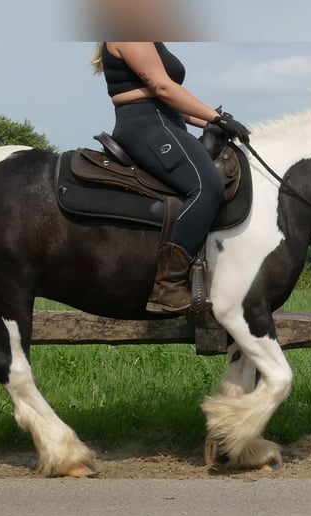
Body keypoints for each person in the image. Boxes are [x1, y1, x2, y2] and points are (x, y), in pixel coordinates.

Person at [91, 42, 250, 314]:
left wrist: (212, 121)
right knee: (206, 186)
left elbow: (168, 98)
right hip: (147, 124)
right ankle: (169, 285)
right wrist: (217, 118)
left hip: (165, 121)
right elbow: (162, 87)